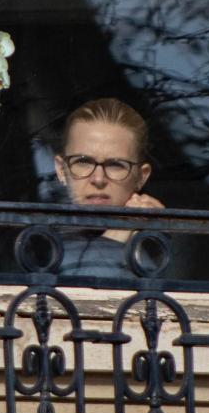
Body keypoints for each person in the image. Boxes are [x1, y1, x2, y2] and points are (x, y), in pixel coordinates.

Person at [53, 98, 164, 279]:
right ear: (61, 170)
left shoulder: (157, 252)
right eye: (83, 162)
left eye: (115, 165)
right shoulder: (37, 243)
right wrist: (119, 233)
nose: (98, 179)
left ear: (141, 177)